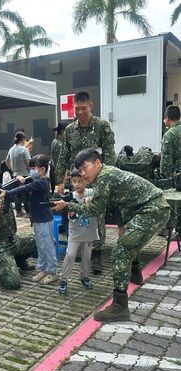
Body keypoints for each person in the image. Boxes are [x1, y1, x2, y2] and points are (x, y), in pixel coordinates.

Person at [53, 148, 170, 322]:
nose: (83, 174)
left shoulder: (104, 177)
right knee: (128, 240)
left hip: (152, 210)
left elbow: (95, 209)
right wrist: (121, 225)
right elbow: (115, 203)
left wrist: (68, 206)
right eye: (80, 170)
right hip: (148, 209)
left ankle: (120, 307)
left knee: (121, 250)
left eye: (85, 168)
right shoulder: (106, 174)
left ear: (98, 163)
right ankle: (135, 273)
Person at [56, 91, 116, 273]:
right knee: (75, 213)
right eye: (77, 109)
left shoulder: (102, 126)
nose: (80, 112)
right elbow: (63, 155)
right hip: (76, 181)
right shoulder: (70, 130)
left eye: (83, 108)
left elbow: (110, 156)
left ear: (91, 106)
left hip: (97, 180)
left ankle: (96, 254)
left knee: (97, 215)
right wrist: (59, 180)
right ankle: (80, 250)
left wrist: (108, 179)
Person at [0, 155, 58, 285]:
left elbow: (25, 188)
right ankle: (43, 269)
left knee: (47, 246)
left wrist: (7, 193)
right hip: (38, 219)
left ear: (42, 170)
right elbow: (28, 182)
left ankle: (53, 272)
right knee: (41, 245)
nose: (31, 170)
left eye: (33, 168)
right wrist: (22, 180)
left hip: (44, 220)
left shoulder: (43, 183)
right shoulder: (38, 180)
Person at [59, 169, 98, 295]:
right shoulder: (70, 197)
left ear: (86, 181)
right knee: (70, 255)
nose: (77, 184)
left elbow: (98, 207)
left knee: (87, 257)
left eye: (80, 181)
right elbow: (72, 217)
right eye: (74, 181)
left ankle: (85, 277)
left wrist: (89, 203)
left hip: (89, 233)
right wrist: (71, 212)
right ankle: (63, 280)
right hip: (75, 233)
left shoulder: (92, 193)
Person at [6, 130, 30, 217]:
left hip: (15, 175)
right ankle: (28, 212)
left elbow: (6, 161)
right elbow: (28, 164)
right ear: (23, 139)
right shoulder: (24, 150)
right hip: (25, 175)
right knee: (26, 194)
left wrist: (12, 169)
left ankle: (19, 212)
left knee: (17, 194)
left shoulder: (11, 149)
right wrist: (29, 171)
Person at [160, 105, 181, 179]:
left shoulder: (169, 134)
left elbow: (166, 160)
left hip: (177, 179)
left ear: (167, 118)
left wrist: (163, 176)